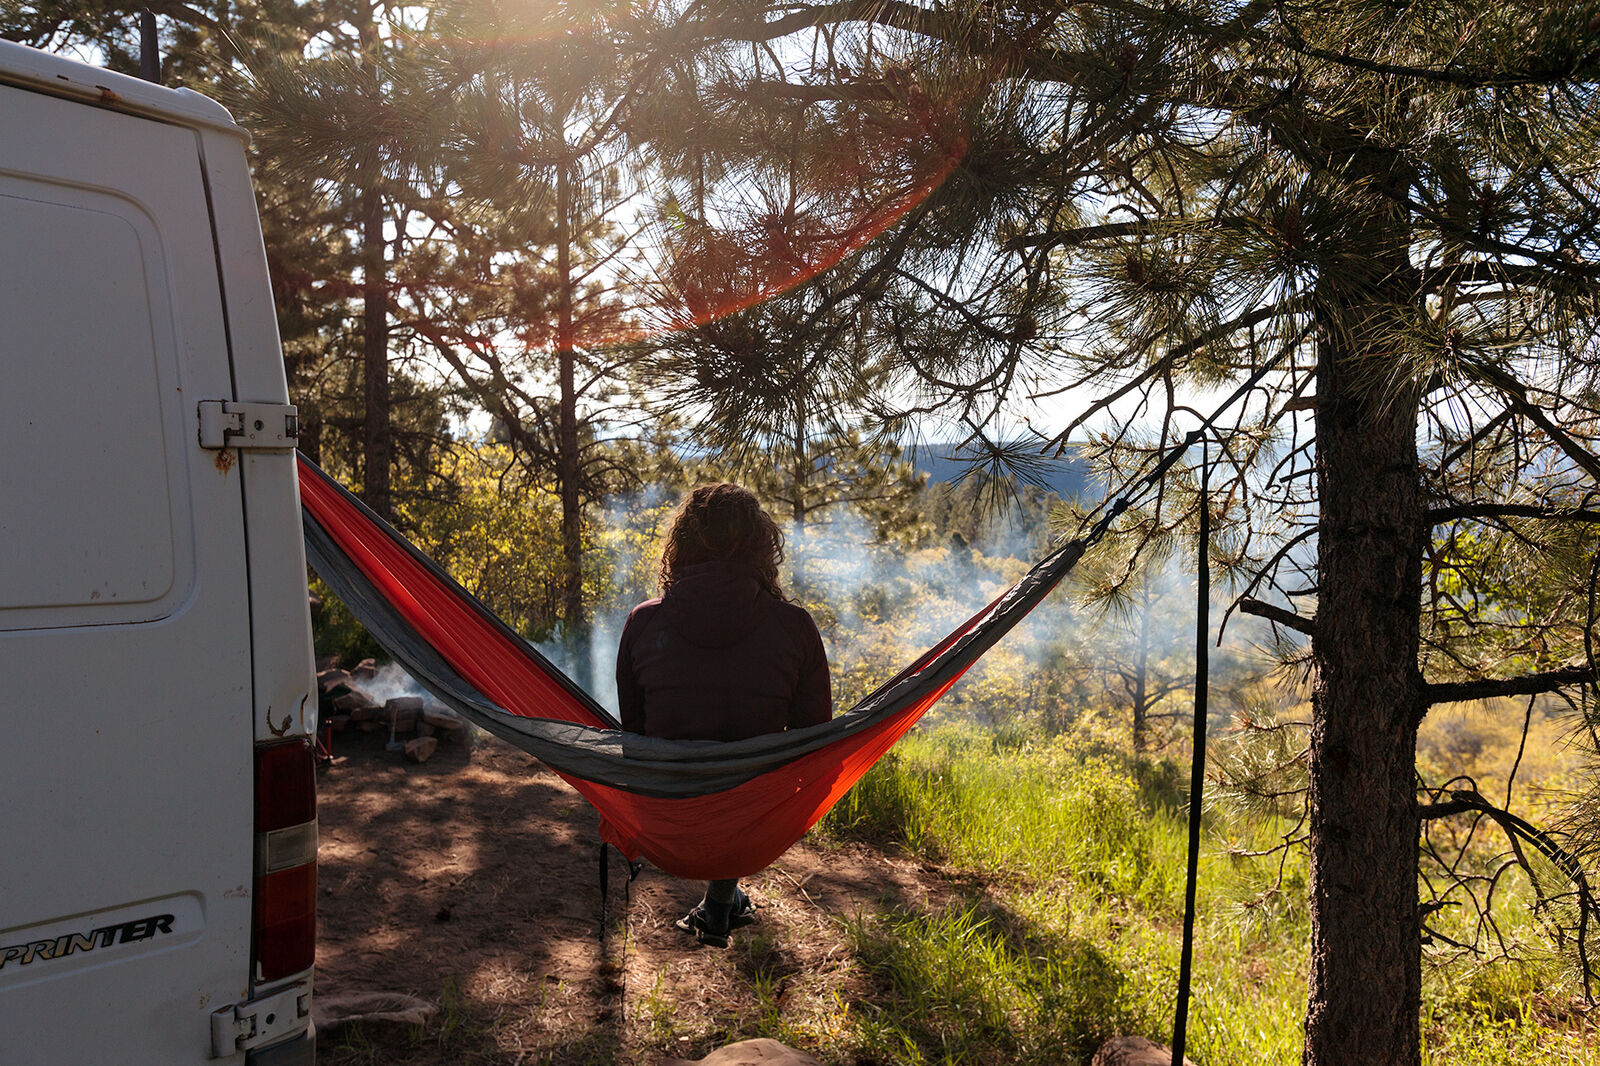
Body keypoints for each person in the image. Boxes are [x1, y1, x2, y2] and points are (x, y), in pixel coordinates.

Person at [615, 483, 832, 946]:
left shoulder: (643, 624)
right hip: (755, 827)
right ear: (761, 546)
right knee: (744, 769)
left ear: (683, 545)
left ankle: (720, 903)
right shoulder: (794, 628)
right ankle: (723, 898)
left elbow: (632, 739)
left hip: (667, 817)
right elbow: (815, 747)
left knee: (711, 761)